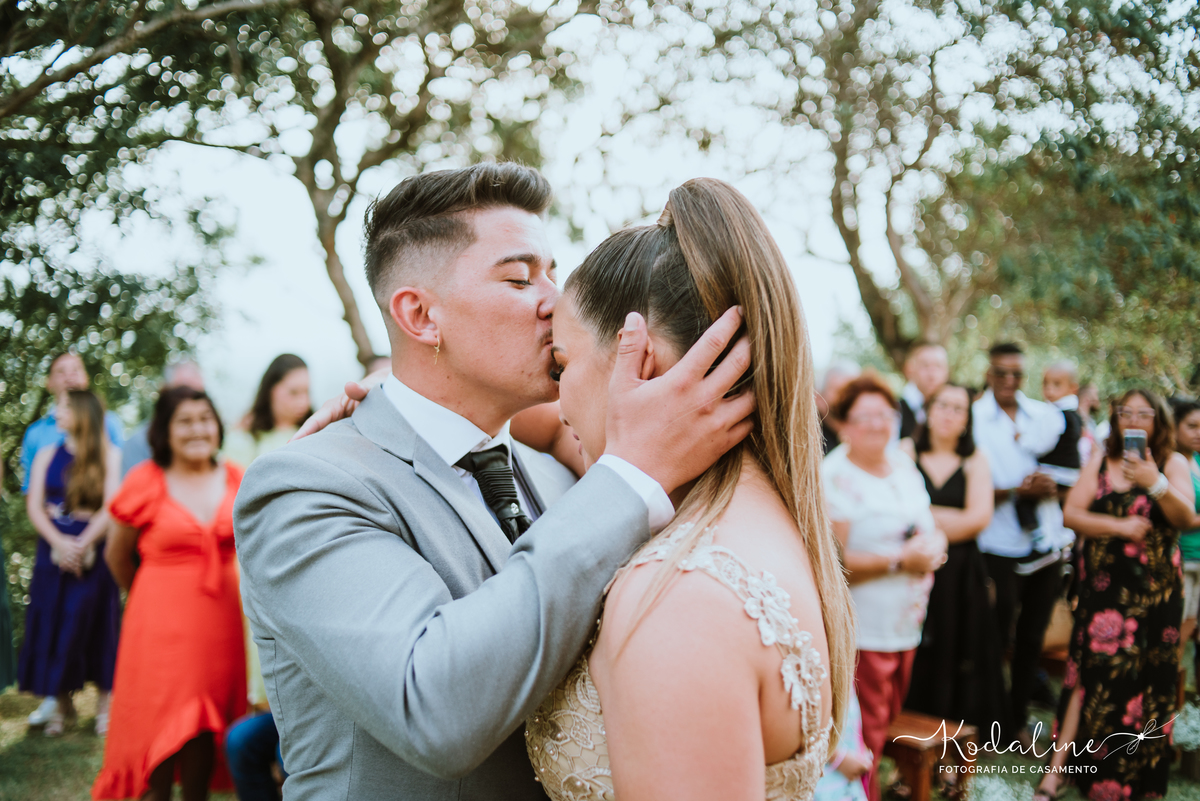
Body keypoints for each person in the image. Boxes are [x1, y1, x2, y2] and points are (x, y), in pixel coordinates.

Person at [233, 163, 756, 800]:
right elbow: (432, 710)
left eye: (553, 273)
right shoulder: (306, 486)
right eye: (519, 278)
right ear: (421, 315)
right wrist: (629, 474)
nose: (556, 301)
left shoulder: (560, 477)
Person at [523, 178, 854, 800]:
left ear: (639, 359)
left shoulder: (677, 599)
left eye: (562, 365)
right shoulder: (766, 515)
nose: (557, 401)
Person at [1036, 389, 1196, 801]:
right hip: (1104, 592)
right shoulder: (1101, 460)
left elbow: (1186, 517)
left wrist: (1153, 482)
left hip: (1157, 595)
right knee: (1087, 674)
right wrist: (1119, 527)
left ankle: (1136, 780)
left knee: (1149, 683)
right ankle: (1060, 772)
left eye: (1144, 414)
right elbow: (1071, 514)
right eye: (1126, 413)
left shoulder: (1173, 462)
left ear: (1158, 420)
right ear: (1117, 418)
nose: (1134, 421)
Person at [93, 386, 246, 801]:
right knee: (158, 719)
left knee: (206, 722)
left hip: (223, 626)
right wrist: (148, 597)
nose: (197, 429)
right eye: (185, 421)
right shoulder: (145, 480)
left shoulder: (238, 477)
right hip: (158, 626)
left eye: (205, 419)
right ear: (164, 430)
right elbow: (116, 556)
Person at [823, 373, 946, 801]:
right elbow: (833, 563)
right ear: (844, 424)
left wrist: (937, 545)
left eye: (885, 414)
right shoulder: (834, 475)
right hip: (865, 630)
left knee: (885, 721)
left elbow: (928, 523)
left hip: (906, 625)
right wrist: (900, 560)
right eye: (866, 416)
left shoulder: (903, 464)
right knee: (867, 733)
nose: (878, 424)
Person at [972, 343, 1071, 746]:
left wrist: (1053, 486)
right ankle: (989, 722)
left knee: (1033, 638)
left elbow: (1073, 471)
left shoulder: (1045, 416)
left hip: (1044, 541)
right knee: (995, 637)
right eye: (1002, 373)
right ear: (989, 374)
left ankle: (1017, 720)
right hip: (995, 543)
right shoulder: (974, 418)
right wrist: (1017, 490)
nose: (1010, 381)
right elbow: (968, 485)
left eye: (1017, 374)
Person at [899, 384, 1008, 738]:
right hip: (913, 565)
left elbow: (978, 518)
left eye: (959, 408)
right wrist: (948, 517)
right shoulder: (905, 451)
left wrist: (925, 517)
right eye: (943, 405)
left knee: (957, 646)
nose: (949, 413)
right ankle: (910, 725)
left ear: (967, 420)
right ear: (928, 411)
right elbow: (897, 512)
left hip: (960, 572)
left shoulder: (976, 459)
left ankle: (954, 732)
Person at [19, 389, 122, 737]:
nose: (57, 411)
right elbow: (34, 506)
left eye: (64, 406)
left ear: (82, 411)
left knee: (99, 625)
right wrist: (60, 543)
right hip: (53, 549)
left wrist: (83, 543)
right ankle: (63, 707)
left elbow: (112, 506)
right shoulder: (46, 454)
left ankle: (105, 708)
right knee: (54, 622)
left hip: (95, 548)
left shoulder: (110, 455)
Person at [20, 352, 125, 494]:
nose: (69, 377)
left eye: (75, 370)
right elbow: (29, 488)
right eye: (61, 372)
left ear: (86, 378)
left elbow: (121, 477)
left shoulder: (110, 423)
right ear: (49, 383)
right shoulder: (35, 434)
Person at [121, 361, 206, 477]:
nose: (191, 404)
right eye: (182, 394)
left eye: (198, 396)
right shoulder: (138, 443)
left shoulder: (210, 439)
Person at [223, 354, 312, 465]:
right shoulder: (247, 436)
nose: (303, 401)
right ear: (271, 390)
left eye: (306, 392)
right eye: (293, 392)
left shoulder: (318, 432)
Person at [1171, 398, 1200, 687]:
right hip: (1180, 557)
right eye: (1192, 426)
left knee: (1189, 628)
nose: (1199, 433)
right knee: (1173, 631)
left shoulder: (1198, 460)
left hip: (1199, 561)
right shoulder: (1169, 463)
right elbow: (1182, 517)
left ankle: (1174, 699)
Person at [1039, 360, 1086, 486]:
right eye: (1045, 384)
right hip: (1072, 474)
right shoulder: (1074, 414)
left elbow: (1043, 445)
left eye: (1057, 384)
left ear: (1072, 388)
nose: (1049, 389)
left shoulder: (1055, 414)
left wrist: (1023, 441)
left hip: (1054, 474)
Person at [897, 343, 949, 440]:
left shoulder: (953, 410)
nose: (932, 374)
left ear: (947, 372)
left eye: (938, 366)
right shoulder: (896, 409)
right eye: (925, 366)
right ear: (910, 370)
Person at [817, 362, 861, 455]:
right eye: (837, 391)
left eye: (850, 391)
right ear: (819, 398)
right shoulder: (810, 439)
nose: (844, 398)